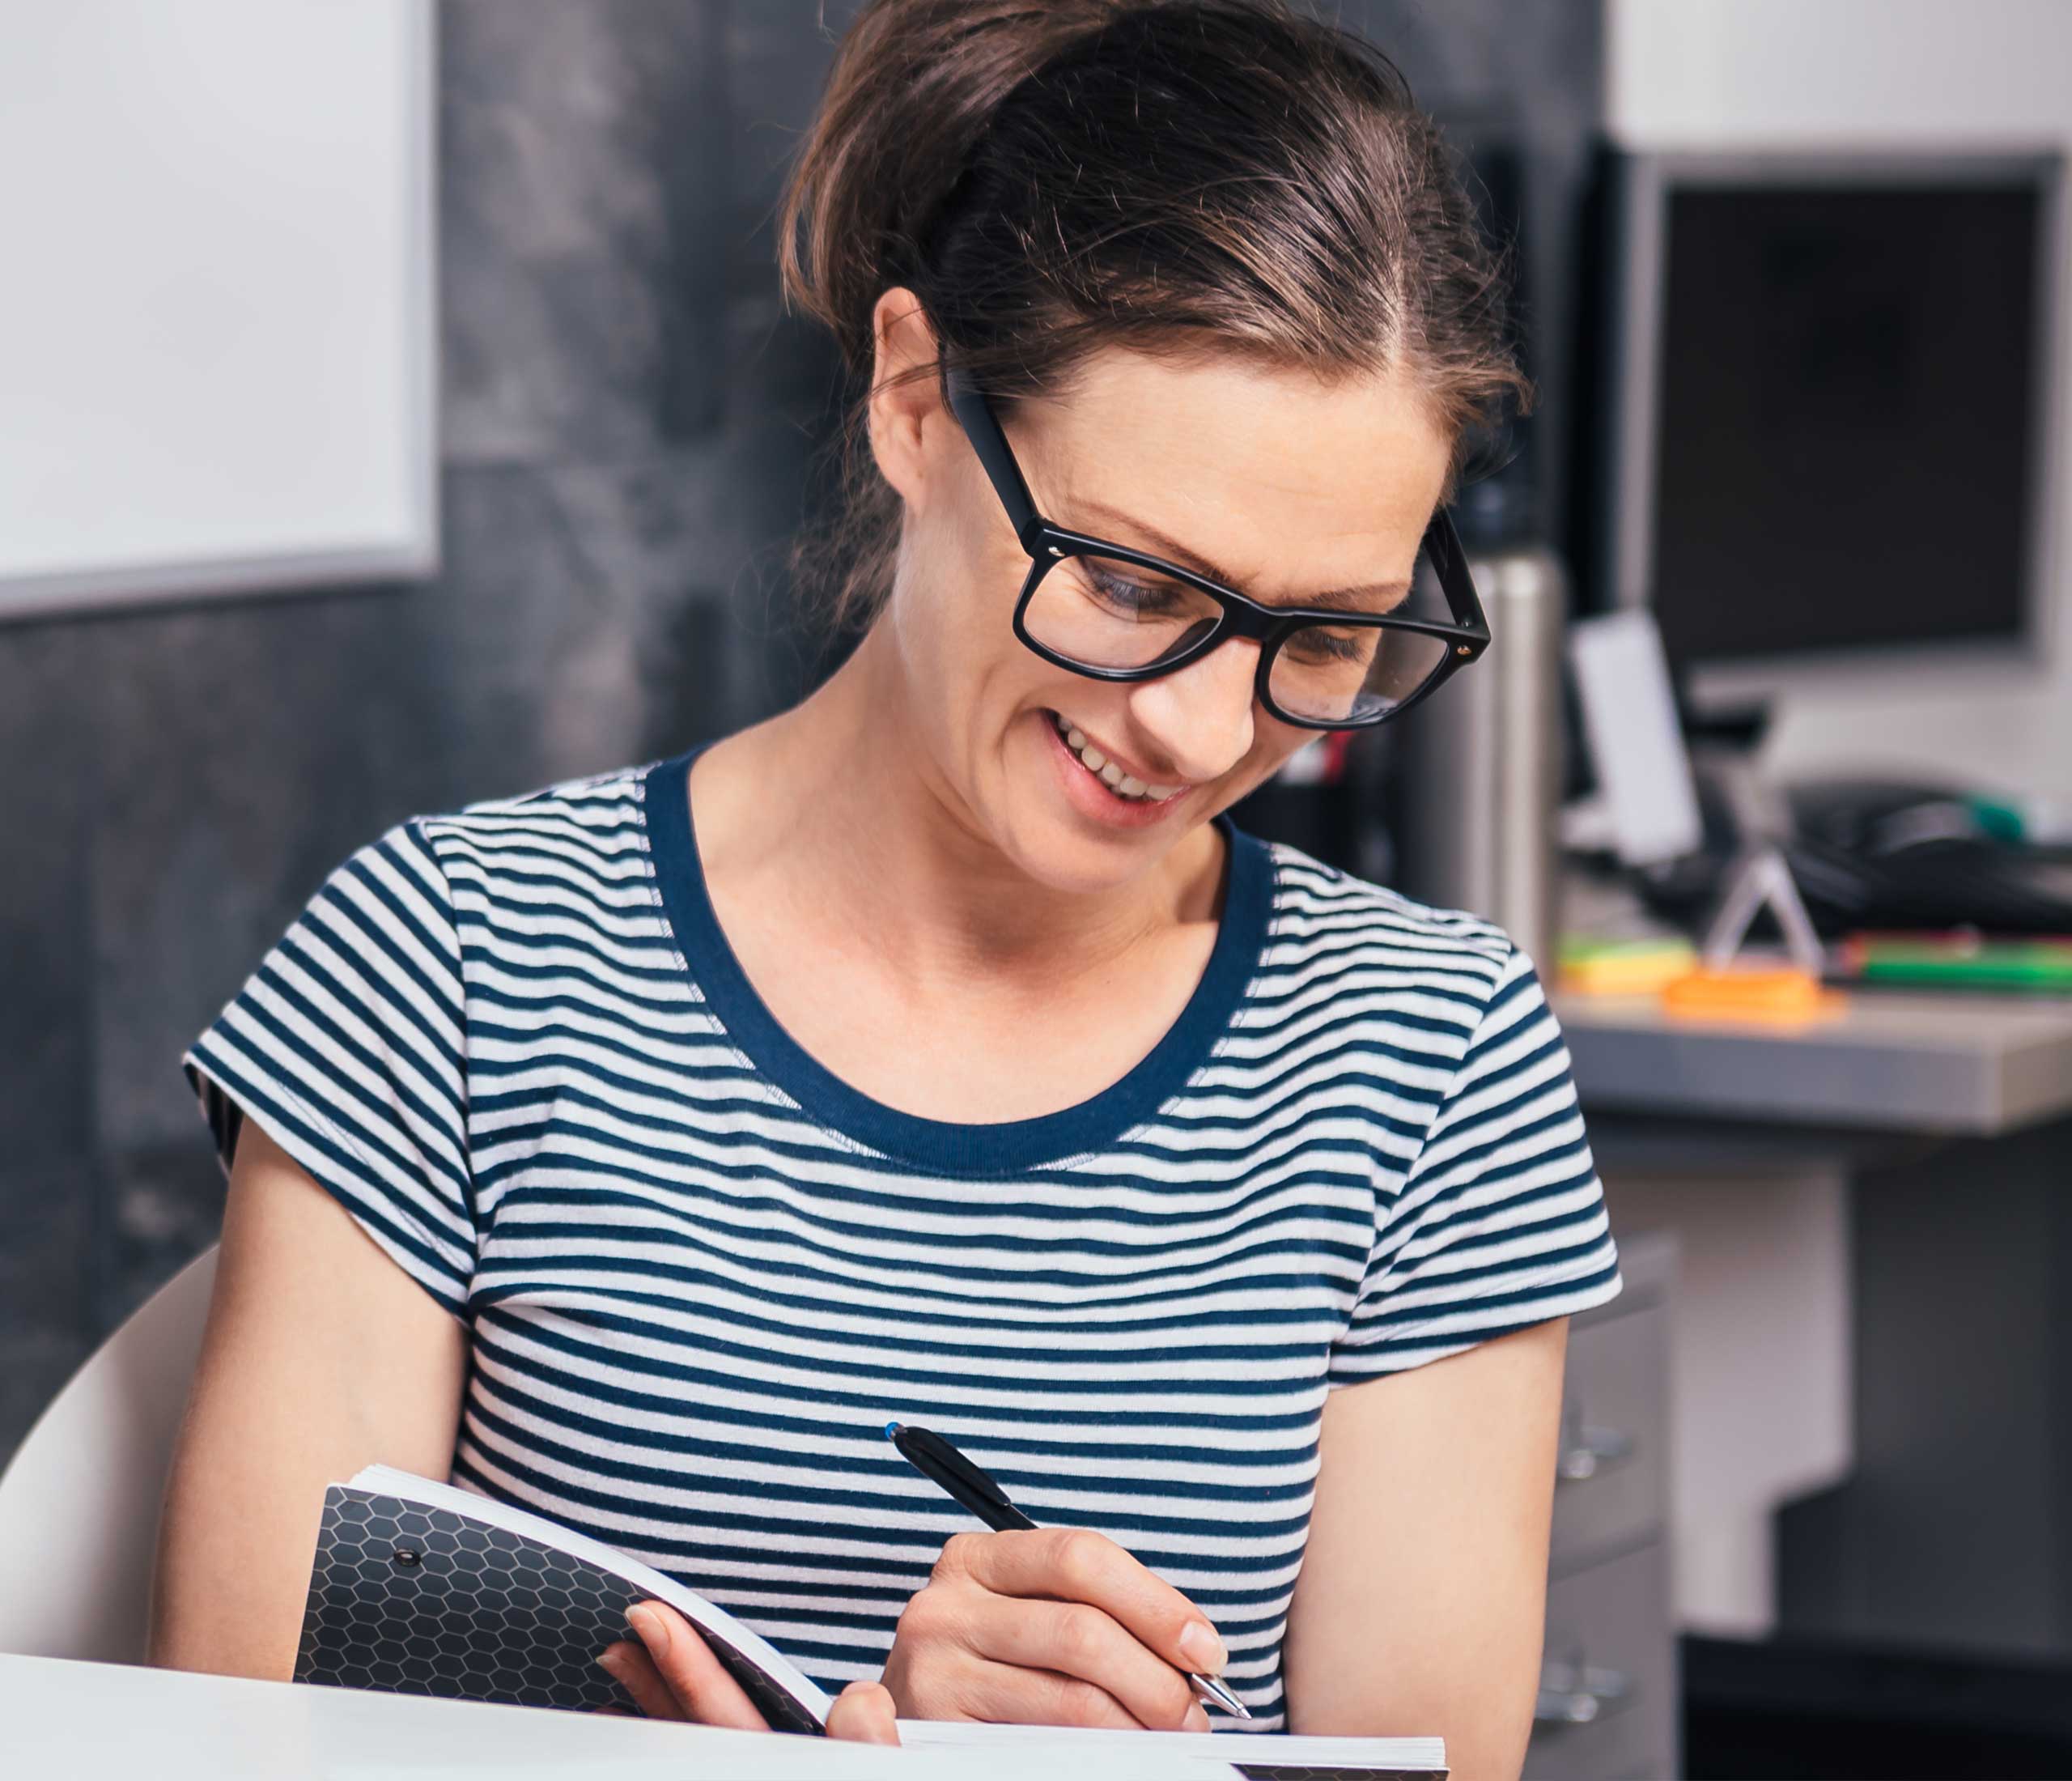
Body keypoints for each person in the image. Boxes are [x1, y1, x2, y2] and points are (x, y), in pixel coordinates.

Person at [148, 2, 1620, 1775]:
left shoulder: (1425, 1055)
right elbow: (222, 1746)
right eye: (1134, 587)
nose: (1204, 727)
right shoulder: (456, 961)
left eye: (1318, 634)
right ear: (917, 401)